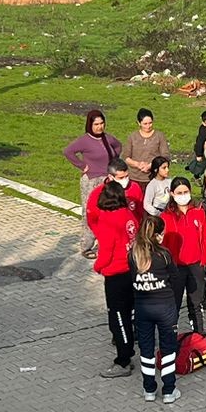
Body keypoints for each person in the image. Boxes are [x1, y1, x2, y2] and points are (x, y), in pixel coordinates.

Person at [87, 179, 140, 378]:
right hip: (132, 270)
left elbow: (106, 251)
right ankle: (130, 348)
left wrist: (97, 266)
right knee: (130, 313)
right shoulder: (128, 215)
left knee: (118, 318)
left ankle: (123, 360)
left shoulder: (108, 220)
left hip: (116, 275)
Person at [130, 214, 182, 403]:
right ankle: (169, 390)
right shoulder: (164, 255)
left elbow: (131, 281)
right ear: (159, 234)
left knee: (146, 349)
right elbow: (176, 281)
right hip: (165, 308)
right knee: (168, 349)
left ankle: (149, 389)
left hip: (142, 309)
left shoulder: (133, 254)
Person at [63, 109, 122, 259]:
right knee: (89, 212)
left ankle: (105, 244)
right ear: (90, 125)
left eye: (102, 123)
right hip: (91, 180)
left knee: (106, 212)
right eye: (96, 124)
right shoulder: (84, 140)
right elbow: (68, 152)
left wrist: (113, 162)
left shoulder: (108, 138)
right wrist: (82, 166)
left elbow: (118, 146)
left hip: (107, 180)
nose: (99, 127)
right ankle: (87, 245)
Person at [161, 177, 206, 336]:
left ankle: (199, 335)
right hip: (176, 268)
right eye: (179, 193)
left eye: (186, 192)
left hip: (196, 265)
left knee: (196, 303)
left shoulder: (198, 213)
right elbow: (163, 245)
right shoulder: (166, 217)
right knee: (174, 303)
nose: (183, 195)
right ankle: (170, 336)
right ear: (172, 194)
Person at [126, 109, 171, 184]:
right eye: (145, 124)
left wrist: (151, 165)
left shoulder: (159, 136)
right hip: (134, 178)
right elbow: (126, 157)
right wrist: (138, 164)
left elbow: (165, 156)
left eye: (150, 123)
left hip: (154, 177)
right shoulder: (132, 137)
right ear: (139, 123)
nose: (148, 126)